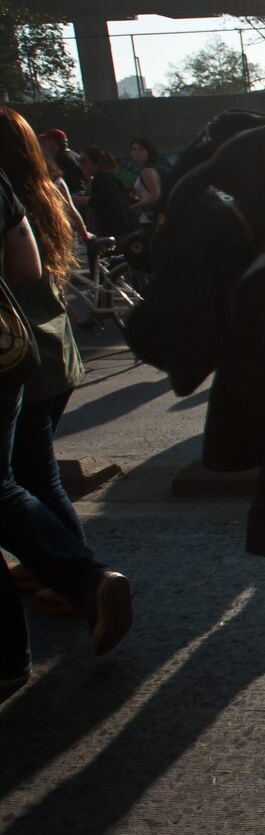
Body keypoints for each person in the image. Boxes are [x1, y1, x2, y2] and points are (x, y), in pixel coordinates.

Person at [0, 130, 132, 705]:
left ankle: (72, 579)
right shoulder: (41, 188)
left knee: (12, 479)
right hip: (35, 350)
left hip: (29, 356)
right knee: (30, 473)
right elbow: (32, 269)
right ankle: (69, 578)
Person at [76, 148, 133, 240]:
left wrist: (71, 198)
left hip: (110, 231)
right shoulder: (110, 178)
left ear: (96, 163)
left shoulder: (100, 179)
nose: (80, 165)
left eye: (83, 161)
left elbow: (99, 201)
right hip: (120, 230)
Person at [128, 138, 167, 225]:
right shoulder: (150, 169)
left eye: (141, 149)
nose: (136, 152)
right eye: (133, 149)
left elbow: (156, 195)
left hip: (150, 219)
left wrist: (135, 206)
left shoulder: (147, 171)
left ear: (149, 151)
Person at [37, 128, 85, 197]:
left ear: (52, 142)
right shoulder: (73, 154)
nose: (45, 143)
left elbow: (57, 180)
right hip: (81, 193)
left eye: (47, 140)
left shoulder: (61, 158)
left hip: (72, 195)